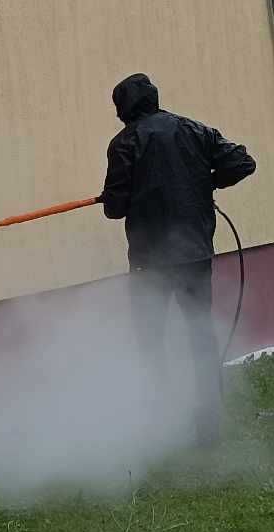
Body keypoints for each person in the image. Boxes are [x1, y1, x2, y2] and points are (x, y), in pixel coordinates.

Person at [100, 73, 256, 446]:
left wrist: (116, 195)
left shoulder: (125, 143)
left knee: (151, 340)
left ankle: (160, 421)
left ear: (123, 110)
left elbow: (115, 209)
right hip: (195, 255)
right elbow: (242, 163)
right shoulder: (195, 130)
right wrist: (206, 179)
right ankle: (209, 426)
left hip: (149, 263)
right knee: (200, 336)